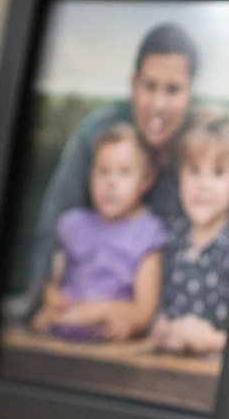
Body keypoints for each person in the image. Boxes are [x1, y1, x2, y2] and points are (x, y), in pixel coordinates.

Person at [14, 23, 198, 318]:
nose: (158, 105)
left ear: (191, 92)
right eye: (149, 86)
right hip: (81, 308)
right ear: (133, 84)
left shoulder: (200, 150)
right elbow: (54, 223)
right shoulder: (96, 135)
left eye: (173, 90)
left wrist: (142, 315)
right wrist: (47, 291)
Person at [29, 124, 167, 342]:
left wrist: (105, 313)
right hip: (62, 335)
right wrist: (53, 300)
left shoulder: (147, 234)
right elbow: (52, 284)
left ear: (146, 180)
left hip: (111, 344)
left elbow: (144, 311)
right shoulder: (73, 225)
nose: (111, 182)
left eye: (124, 172)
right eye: (103, 171)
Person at [149, 110, 229, 357]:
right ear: (179, 176)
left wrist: (214, 340)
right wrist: (160, 328)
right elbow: (155, 307)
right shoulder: (169, 238)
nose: (203, 184)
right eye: (194, 170)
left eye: (218, 172)